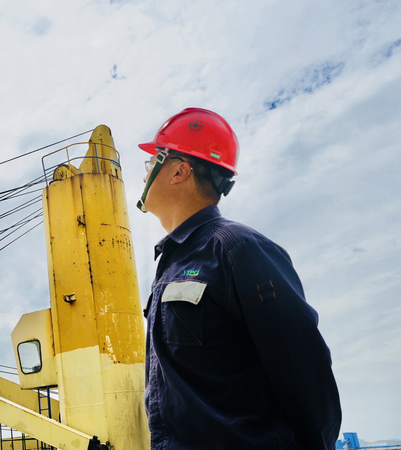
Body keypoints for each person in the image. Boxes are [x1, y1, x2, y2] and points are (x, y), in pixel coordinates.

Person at [137, 108, 341, 450]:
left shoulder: (237, 249)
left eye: (151, 163)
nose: (144, 177)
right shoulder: (173, 261)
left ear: (178, 170)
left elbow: (307, 375)